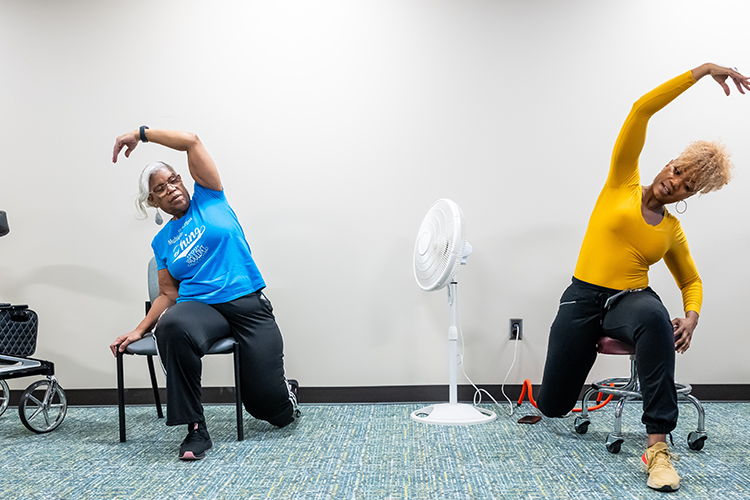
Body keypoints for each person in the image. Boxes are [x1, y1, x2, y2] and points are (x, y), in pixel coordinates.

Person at [536, 63, 749, 492]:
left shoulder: (671, 231)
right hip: (581, 296)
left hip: (630, 299)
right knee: (553, 405)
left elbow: (692, 281)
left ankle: (657, 447)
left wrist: (692, 316)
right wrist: (702, 72)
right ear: (668, 164)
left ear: (691, 196)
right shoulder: (622, 182)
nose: (677, 184)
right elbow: (640, 111)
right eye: (678, 172)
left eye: (688, 186)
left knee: (655, 316)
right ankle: (567, 398)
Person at [109, 127, 298, 461]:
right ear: (153, 201)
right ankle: (195, 428)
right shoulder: (162, 241)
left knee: (268, 409)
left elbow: (192, 141)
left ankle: (286, 394)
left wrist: (141, 134)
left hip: (246, 303)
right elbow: (168, 295)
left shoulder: (210, 197)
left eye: (173, 180)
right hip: (201, 310)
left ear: (183, 180)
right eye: (160, 189)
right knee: (172, 326)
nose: (171, 189)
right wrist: (141, 329)